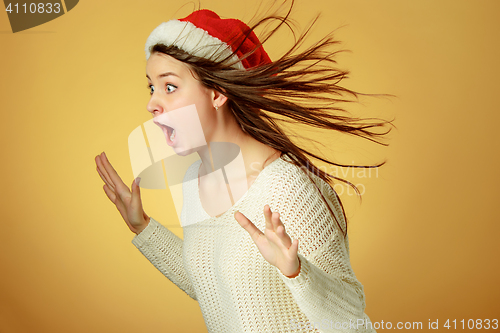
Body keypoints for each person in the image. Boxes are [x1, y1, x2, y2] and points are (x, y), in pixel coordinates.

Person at [95, 3, 393, 332]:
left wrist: (297, 273)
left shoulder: (287, 187)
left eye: (170, 86)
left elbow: (351, 317)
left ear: (218, 92)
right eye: (151, 87)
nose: (152, 103)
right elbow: (217, 288)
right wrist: (143, 228)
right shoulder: (195, 179)